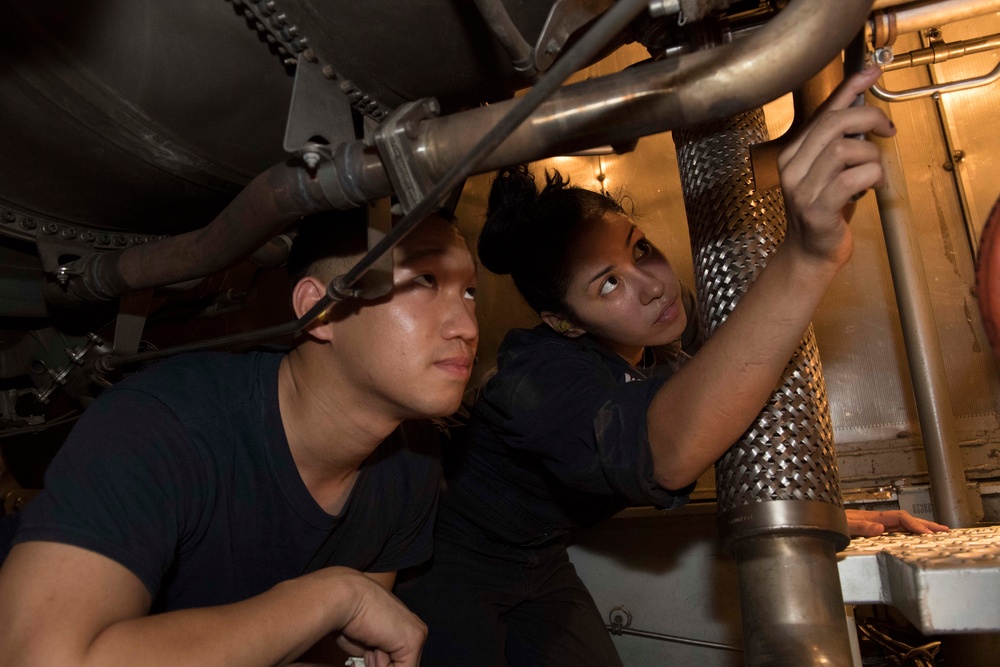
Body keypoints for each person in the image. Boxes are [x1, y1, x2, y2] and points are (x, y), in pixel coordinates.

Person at [393, 67, 948, 666]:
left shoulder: (661, 334)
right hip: (450, 560)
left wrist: (816, 513)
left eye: (640, 251)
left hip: (542, 560)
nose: (651, 287)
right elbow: (666, 448)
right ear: (566, 322)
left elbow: (717, 408)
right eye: (608, 285)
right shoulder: (536, 379)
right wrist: (809, 253)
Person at [0, 210, 479, 666]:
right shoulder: (167, 421)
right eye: (426, 281)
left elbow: (343, 649)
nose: (467, 327)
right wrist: (336, 596)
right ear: (321, 311)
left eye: (471, 292)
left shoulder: (413, 463)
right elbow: (41, 657)